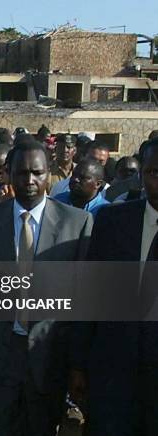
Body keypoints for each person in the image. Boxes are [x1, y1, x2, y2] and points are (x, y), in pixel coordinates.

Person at [0, 141, 93, 436]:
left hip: (50, 356)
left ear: (50, 174)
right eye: (22, 173)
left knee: (42, 428)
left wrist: (77, 362)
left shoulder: (78, 224)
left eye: (37, 172)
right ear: (8, 174)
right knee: (2, 427)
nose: (30, 180)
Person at [81, 137, 158, 436]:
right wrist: (78, 363)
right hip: (114, 374)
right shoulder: (113, 221)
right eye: (154, 172)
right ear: (140, 175)